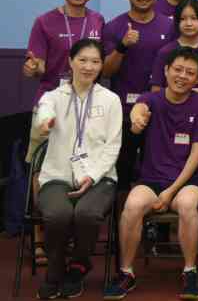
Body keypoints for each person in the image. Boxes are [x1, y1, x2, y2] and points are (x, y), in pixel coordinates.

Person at [103, 46, 198, 300]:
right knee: (132, 206)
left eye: (190, 73)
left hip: (189, 180)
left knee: (186, 205)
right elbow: (139, 109)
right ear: (166, 70)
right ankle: (126, 272)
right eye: (177, 69)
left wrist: (170, 192)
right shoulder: (151, 99)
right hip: (151, 179)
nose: (182, 76)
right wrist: (137, 118)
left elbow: (197, 155)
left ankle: (190, 271)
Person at [24, 0, 105, 268]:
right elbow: (36, 67)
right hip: (51, 104)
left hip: (87, 107)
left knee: (80, 164)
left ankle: (69, 232)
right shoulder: (44, 22)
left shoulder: (97, 20)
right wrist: (33, 68)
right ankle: (41, 236)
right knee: (42, 168)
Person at [33, 39, 121, 299]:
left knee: (87, 214)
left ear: (101, 66)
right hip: (57, 176)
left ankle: (79, 265)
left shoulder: (111, 100)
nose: (88, 67)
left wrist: (92, 176)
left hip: (99, 177)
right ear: (70, 62)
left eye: (95, 61)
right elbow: (44, 111)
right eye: (82, 60)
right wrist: (45, 122)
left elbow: (113, 146)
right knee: (57, 215)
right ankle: (55, 269)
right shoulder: (53, 97)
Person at [102, 0, 176, 188]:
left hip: (161, 111)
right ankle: (121, 209)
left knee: (156, 172)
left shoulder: (170, 26)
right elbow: (106, 71)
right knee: (122, 172)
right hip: (123, 113)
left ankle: (153, 211)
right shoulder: (114, 26)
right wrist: (122, 46)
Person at [150, 0, 198, 98]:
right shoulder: (165, 51)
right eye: (183, 19)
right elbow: (155, 89)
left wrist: (184, 90)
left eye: (194, 18)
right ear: (176, 21)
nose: (189, 23)